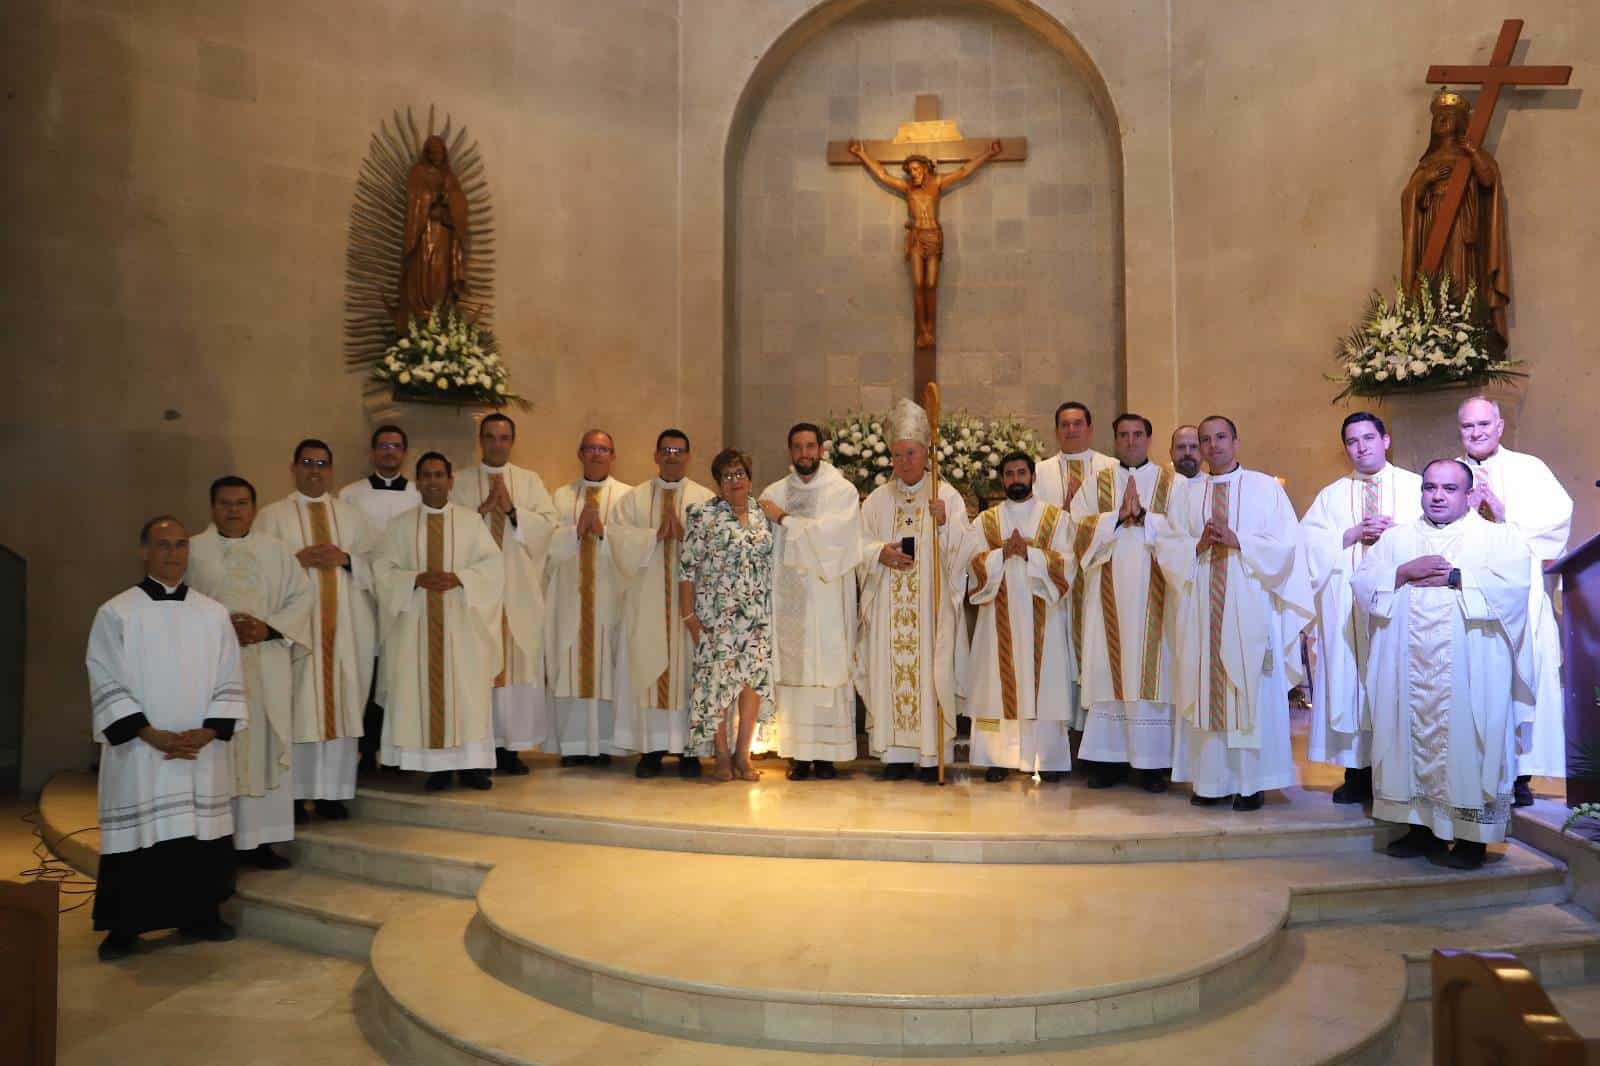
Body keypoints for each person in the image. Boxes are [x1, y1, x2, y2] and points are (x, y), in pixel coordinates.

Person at [1353, 459, 1533, 869]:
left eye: (1449, 489)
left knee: (1467, 744)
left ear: (1469, 495)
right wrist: (1401, 572)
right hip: (1408, 669)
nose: (1437, 496)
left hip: (1469, 671)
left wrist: (1456, 578)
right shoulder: (1397, 540)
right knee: (1406, 738)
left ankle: (1471, 839)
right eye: (1430, 487)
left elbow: (1515, 590)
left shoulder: (1496, 539)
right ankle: (1421, 829)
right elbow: (1363, 583)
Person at [87, 516, 246, 960]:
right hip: (142, 750)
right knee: (139, 837)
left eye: (179, 545)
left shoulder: (213, 614)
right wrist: (149, 733)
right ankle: (125, 927)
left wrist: (210, 730)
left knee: (200, 834)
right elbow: (105, 678)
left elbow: (230, 676)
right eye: (162, 545)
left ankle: (202, 916)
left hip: (200, 750)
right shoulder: (116, 612)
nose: (173, 554)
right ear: (144, 552)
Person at [1156, 416, 1314, 811]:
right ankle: (1211, 781)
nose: (1212, 446)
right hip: (1202, 609)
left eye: (1220, 437)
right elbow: (1167, 546)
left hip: (1250, 607)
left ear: (1236, 441)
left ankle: (1251, 783)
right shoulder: (1187, 494)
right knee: (1206, 687)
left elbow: (1287, 547)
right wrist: (1197, 545)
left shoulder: (1265, 489)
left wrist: (1239, 540)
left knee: (1249, 692)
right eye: (1205, 440)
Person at [186, 477, 312, 870]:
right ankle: (216, 842)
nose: (234, 511)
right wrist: (221, 629)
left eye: (241, 503)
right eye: (225, 503)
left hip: (265, 664)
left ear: (254, 508)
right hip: (213, 672)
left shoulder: (275, 551)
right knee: (219, 753)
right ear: (212, 507)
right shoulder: (192, 551)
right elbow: (180, 606)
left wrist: (268, 628)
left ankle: (260, 841)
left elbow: (303, 597)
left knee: (262, 749)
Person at [1299, 413, 1422, 804]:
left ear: (1386, 440)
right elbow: (1305, 547)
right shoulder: (1331, 496)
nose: (1361, 447)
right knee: (1351, 685)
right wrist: (1352, 534)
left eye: (1369, 438)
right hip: (1347, 615)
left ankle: (1398, 775)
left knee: (1394, 684)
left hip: (1399, 611)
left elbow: (1434, 534)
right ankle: (1356, 772)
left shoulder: (1415, 486)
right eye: (1352, 441)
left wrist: (1394, 536)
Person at [1458, 394, 1572, 805]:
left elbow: (1556, 522)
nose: (1476, 433)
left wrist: (1503, 512)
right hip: (1472, 598)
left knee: (1522, 680)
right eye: (1468, 427)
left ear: (1500, 427)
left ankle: (1520, 774)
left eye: (1483, 425)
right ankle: (1475, 768)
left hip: (1521, 599)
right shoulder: (1449, 474)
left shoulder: (1529, 469)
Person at [255, 439, 376, 823]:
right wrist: (296, 560)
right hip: (295, 637)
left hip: (344, 635)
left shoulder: (352, 516)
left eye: (322, 464)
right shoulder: (272, 517)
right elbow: (255, 571)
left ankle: (332, 794)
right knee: (296, 709)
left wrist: (347, 559)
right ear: (293, 467)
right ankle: (292, 795)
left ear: (331, 469)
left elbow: (379, 564)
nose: (315, 470)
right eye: (307, 463)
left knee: (340, 708)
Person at [372, 453, 505, 791]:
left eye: (439, 475)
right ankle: (437, 768)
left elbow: (493, 566)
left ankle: (473, 766)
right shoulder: (400, 526)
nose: (433, 481)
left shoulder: (470, 523)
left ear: (450, 481)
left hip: (462, 629)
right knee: (425, 695)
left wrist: (460, 578)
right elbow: (382, 571)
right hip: (416, 628)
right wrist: (414, 579)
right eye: (426, 476)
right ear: (417, 482)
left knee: (467, 695)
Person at [856, 399, 971, 781]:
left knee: (928, 675)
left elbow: (964, 551)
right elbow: (858, 546)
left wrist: (943, 525)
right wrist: (879, 554)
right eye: (897, 454)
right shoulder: (876, 500)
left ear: (926, 454)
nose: (904, 461)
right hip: (889, 606)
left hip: (929, 612)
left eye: (911, 453)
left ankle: (930, 756)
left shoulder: (946, 497)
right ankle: (896, 756)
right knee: (891, 674)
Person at [1070, 414, 1182, 792]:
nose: (1130, 441)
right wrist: (1117, 517)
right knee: (1108, 670)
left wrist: (1147, 517)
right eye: (1123, 435)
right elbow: (1077, 531)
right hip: (1107, 595)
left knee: (1154, 673)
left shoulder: (1172, 483)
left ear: (1149, 439)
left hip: (1158, 595)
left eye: (1137, 434)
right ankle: (1108, 762)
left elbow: (1186, 535)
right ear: (1115, 440)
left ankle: (1152, 766)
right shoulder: (1096, 483)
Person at [450, 413, 558, 775]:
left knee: (514, 668)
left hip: (516, 590)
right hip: (475, 595)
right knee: (477, 666)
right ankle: (477, 748)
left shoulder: (528, 481)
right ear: (481, 440)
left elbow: (547, 527)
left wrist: (512, 510)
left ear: (512, 441)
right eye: (491, 437)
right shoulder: (461, 482)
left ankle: (509, 747)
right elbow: (447, 526)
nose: (497, 444)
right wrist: (479, 512)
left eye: (504, 437)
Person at [757, 423, 862, 781]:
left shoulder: (841, 491)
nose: (804, 454)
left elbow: (836, 541)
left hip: (826, 600)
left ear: (821, 449)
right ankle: (798, 755)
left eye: (810, 447)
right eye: (798, 447)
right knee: (793, 677)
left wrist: (785, 520)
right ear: (790, 451)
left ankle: (827, 756)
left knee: (826, 674)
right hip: (787, 601)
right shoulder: (773, 492)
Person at [962, 452, 1074, 782]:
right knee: (997, 684)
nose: (1015, 479)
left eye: (1021, 472)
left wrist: (1031, 554)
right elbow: (971, 564)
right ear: (1002, 479)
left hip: (1043, 618)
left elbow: (1069, 563)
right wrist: (999, 556)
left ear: (1033, 477)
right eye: (1009, 474)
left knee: (1045, 683)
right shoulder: (986, 521)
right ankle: (998, 758)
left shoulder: (1055, 519)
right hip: (997, 618)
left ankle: (1048, 759)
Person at [609, 430, 715, 778]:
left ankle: (690, 751)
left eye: (679, 451)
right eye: (666, 450)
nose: (672, 456)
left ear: (688, 456)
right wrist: (653, 534)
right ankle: (651, 749)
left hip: (691, 607)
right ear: (655, 455)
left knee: (690, 674)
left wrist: (688, 535)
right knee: (647, 666)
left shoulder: (706, 499)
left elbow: (719, 551)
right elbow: (617, 541)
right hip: (648, 603)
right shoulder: (634, 499)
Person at [679, 448, 776, 782]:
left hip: (756, 617)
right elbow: (686, 569)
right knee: (717, 685)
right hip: (717, 615)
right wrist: (689, 617)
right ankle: (720, 755)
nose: (735, 481)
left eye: (740, 474)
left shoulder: (763, 514)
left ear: (750, 479)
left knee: (752, 684)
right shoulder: (702, 515)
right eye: (728, 476)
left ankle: (743, 754)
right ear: (718, 483)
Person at [338, 424, 421, 773]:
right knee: (368, 671)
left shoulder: (420, 494)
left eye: (396, 446)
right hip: (363, 594)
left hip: (406, 597)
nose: (390, 452)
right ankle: (367, 749)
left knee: (401, 671)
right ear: (373, 452)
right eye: (384, 446)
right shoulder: (350, 495)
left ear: (405, 453)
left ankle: (399, 751)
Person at [547, 430, 632, 765]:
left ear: (613, 455)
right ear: (579, 453)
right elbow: (546, 543)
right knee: (569, 665)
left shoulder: (626, 496)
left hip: (610, 596)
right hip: (570, 598)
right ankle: (574, 745)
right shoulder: (561, 496)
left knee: (607, 667)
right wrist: (574, 531)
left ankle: (607, 745)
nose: (597, 454)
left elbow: (633, 542)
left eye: (603, 449)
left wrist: (604, 532)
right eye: (591, 448)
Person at [1035, 401, 1118, 731]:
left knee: (1097, 645)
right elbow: (1032, 518)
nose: (1071, 430)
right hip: (1056, 576)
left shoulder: (1110, 468)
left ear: (1090, 428)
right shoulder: (1039, 473)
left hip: (1097, 574)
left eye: (1077, 424)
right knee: (1059, 648)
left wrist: (1080, 517)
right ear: (1056, 430)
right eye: (1065, 425)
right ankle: (1061, 727)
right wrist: (1064, 513)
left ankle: (1098, 730)